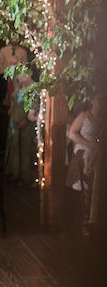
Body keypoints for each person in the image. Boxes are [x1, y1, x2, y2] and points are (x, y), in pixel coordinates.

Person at [67, 94, 100, 235]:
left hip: (96, 157)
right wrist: (89, 144)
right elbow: (72, 134)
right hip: (82, 154)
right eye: (99, 100)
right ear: (93, 101)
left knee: (92, 191)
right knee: (82, 189)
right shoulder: (84, 115)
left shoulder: (102, 119)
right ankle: (80, 223)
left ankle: (90, 222)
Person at [6, 74, 36, 184]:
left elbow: (34, 106)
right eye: (19, 77)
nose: (20, 79)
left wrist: (26, 120)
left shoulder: (33, 89)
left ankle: (26, 177)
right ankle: (15, 173)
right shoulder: (18, 87)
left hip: (26, 123)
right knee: (15, 147)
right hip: (14, 120)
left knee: (26, 149)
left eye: (23, 76)